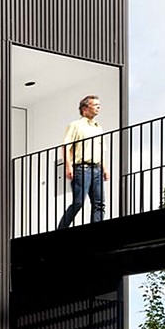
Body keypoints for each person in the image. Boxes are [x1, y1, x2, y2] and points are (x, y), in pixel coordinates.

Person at [57, 94, 108, 229]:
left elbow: (101, 150)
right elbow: (66, 146)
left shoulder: (98, 127)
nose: (98, 107)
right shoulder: (75, 125)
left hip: (97, 169)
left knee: (99, 203)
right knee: (78, 202)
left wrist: (104, 169)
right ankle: (61, 228)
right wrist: (68, 167)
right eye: (95, 105)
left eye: (99, 105)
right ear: (85, 108)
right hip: (82, 168)